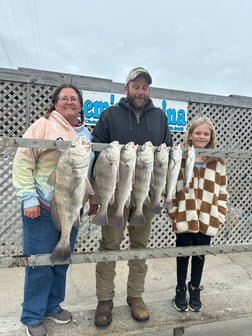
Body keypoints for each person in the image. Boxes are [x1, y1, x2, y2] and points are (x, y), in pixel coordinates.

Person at [12, 84, 97, 336]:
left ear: (81, 104)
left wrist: (91, 197)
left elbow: (85, 172)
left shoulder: (85, 133)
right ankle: (33, 315)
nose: (69, 102)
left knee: (61, 261)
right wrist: (29, 199)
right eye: (64, 98)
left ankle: (52, 306)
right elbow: (23, 161)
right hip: (43, 207)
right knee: (39, 264)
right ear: (55, 102)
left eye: (74, 98)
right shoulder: (42, 125)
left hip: (72, 208)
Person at [92, 66, 173, 327]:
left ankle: (135, 296)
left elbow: (168, 153)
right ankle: (105, 300)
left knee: (140, 247)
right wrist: (95, 192)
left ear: (149, 90)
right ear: (125, 89)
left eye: (145, 87)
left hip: (145, 197)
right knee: (109, 246)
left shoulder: (160, 117)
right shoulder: (109, 114)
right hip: (114, 196)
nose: (141, 91)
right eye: (136, 86)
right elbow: (96, 153)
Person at [167, 116, 228, 313]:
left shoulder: (218, 161)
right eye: (198, 133)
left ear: (211, 137)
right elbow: (172, 187)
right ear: (190, 136)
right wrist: (174, 212)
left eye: (206, 133)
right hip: (184, 215)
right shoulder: (181, 158)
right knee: (182, 255)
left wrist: (219, 215)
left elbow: (222, 190)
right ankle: (179, 289)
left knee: (200, 255)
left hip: (207, 217)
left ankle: (195, 289)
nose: (202, 136)